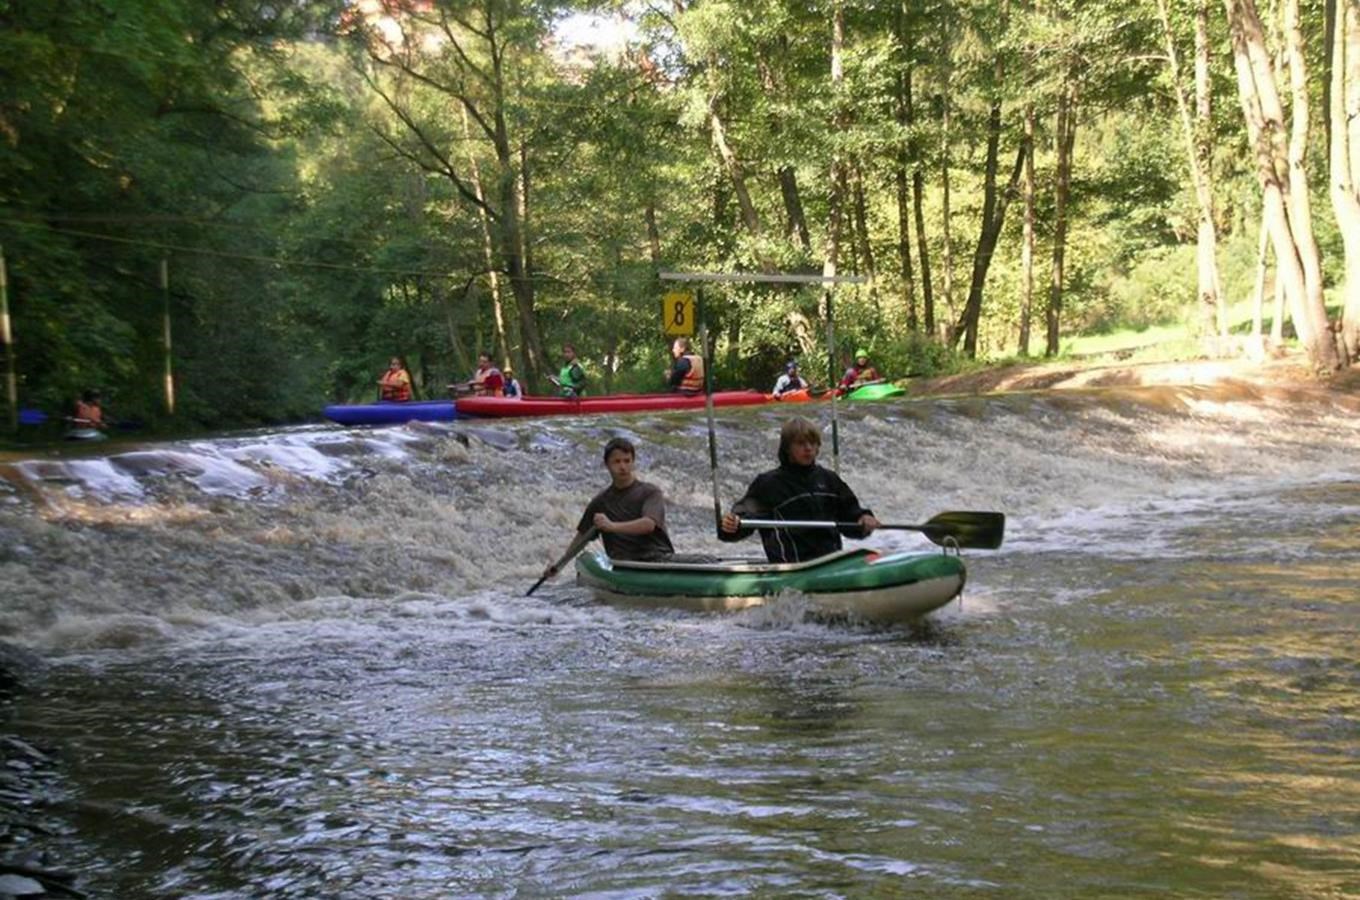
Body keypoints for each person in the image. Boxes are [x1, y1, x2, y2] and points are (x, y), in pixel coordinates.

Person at [719, 416, 880, 563]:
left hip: (830, 565)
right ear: (788, 448)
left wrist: (863, 518)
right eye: (801, 443)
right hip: (793, 570)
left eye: (812, 443)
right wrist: (732, 525)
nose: (808, 448)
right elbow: (745, 516)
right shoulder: (769, 484)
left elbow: (851, 516)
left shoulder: (829, 479)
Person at [540, 437, 675, 581]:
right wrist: (559, 566)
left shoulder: (650, 492)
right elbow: (581, 537)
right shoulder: (600, 502)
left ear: (633, 462)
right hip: (624, 566)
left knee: (701, 561)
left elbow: (648, 525)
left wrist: (611, 526)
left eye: (627, 461)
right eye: (617, 462)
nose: (623, 467)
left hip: (657, 560)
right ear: (607, 465)